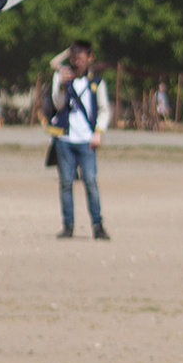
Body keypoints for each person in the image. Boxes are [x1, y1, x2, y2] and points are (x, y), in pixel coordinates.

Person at [46, 42, 111, 240]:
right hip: (65, 138)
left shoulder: (96, 82)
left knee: (90, 181)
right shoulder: (62, 76)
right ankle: (68, 225)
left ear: (90, 58)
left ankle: (97, 225)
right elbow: (58, 104)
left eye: (81, 58)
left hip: (86, 140)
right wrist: (62, 85)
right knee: (66, 183)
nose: (77, 63)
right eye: (74, 58)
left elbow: (104, 109)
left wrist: (99, 132)